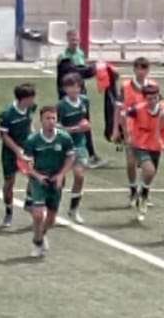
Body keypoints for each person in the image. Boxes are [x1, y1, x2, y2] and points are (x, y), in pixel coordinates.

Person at [23, 106, 76, 258]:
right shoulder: (33, 140)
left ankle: (40, 235)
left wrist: (61, 175)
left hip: (56, 179)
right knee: (38, 214)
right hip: (39, 179)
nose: (51, 121)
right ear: (41, 120)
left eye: (53, 118)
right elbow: (26, 164)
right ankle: (37, 243)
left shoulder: (64, 138)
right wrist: (37, 176)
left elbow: (71, 156)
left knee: (51, 218)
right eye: (48, 118)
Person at [121, 84, 164, 223]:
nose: (152, 101)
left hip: (156, 145)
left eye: (155, 98)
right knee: (149, 170)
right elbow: (123, 115)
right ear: (144, 99)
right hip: (140, 145)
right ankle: (142, 196)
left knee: (152, 173)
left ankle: (143, 194)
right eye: (149, 99)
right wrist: (127, 135)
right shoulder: (138, 109)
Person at [55, 28, 104, 168]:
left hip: (80, 93)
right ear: (67, 40)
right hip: (67, 94)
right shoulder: (63, 56)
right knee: (66, 124)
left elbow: (82, 72)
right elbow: (76, 72)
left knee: (84, 123)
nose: (75, 42)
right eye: (72, 40)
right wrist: (94, 70)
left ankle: (89, 154)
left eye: (76, 39)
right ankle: (64, 152)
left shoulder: (80, 53)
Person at [117, 57, 158, 208]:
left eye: (144, 68)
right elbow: (119, 108)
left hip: (149, 129)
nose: (141, 72)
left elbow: (158, 106)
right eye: (139, 68)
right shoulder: (126, 86)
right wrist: (117, 129)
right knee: (131, 161)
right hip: (131, 128)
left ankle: (144, 193)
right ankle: (133, 190)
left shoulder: (153, 85)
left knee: (149, 164)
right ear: (134, 69)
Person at [0, 83, 38, 228]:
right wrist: (17, 151)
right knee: (9, 184)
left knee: (34, 176)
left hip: (26, 148)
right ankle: (8, 212)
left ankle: (28, 202)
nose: (33, 101)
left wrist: (33, 137)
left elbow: (30, 123)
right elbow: (4, 136)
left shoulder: (31, 107)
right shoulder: (7, 114)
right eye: (31, 98)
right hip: (10, 153)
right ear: (23, 99)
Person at [56, 73, 92, 224]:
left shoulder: (84, 101)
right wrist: (75, 129)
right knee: (59, 181)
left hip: (79, 144)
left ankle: (74, 209)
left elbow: (87, 121)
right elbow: (56, 127)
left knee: (80, 176)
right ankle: (54, 210)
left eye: (76, 86)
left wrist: (86, 126)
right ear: (65, 89)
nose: (74, 89)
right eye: (70, 87)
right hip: (63, 146)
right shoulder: (61, 106)